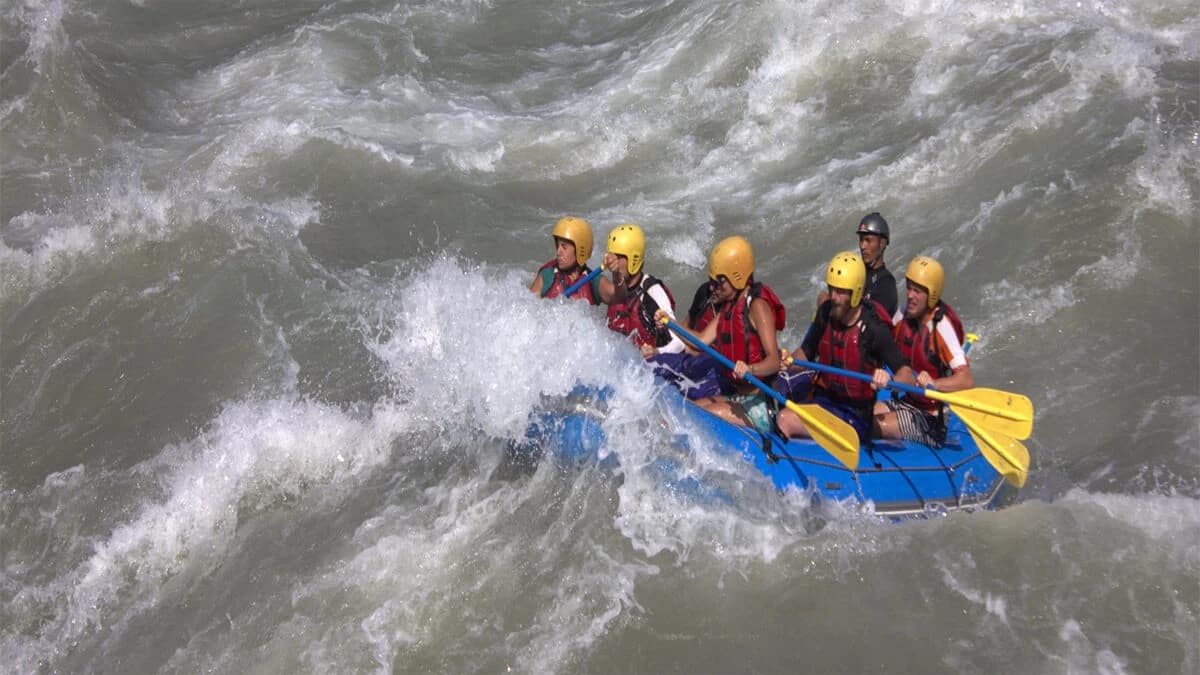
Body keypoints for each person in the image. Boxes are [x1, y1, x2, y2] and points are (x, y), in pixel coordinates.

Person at [778, 251, 916, 444]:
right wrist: (787, 362)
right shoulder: (826, 313)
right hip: (823, 401)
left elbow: (907, 375)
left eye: (841, 291)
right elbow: (806, 354)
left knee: (786, 419)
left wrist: (889, 380)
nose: (834, 296)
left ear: (856, 293)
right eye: (831, 288)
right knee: (777, 393)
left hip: (855, 416)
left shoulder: (873, 329)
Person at [655, 236, 786, 434]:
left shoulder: (757, 307)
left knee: (696, 415)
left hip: (760, 404)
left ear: (737, 276)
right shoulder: (729, 309)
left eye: (719, 282)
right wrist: (670, 323)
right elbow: (700, 342)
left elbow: (774, 362)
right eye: (711, 281)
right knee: (686, 408)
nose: (712, 287)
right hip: (736, 397)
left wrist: (751, 369)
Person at [873, 256, 973, 447]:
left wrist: (933, 383)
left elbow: (966, 380)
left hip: (930, 417)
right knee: (858, 417)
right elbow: (883, 347)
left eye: (917, 291)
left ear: (932, 295)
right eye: (909, 288)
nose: (910, 295)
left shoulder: (941, 327)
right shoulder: (903, 314)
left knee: (870, 426)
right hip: (905, 401)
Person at [601, 224, 685, 357]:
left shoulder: (653, 292)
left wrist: (656, 352)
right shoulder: (615, 290)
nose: (612, 262)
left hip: (651, 369)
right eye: (611, 256)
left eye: (618, 257)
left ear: (633, 259)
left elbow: (679, 342)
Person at [815, 212, 898, 320]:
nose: (862, 246)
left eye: (868, 240)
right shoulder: (855, 272)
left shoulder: (886, 283)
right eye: (861, 240)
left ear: (882, 243)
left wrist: (828, 306)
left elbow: (871, 320)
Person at [529, 216, 605, 302]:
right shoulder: (547, 276)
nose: (558, 252)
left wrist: (618, 272)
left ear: (580, 251)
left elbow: (618, 294)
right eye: (558, 246)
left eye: (564, 247)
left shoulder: (594, 281)